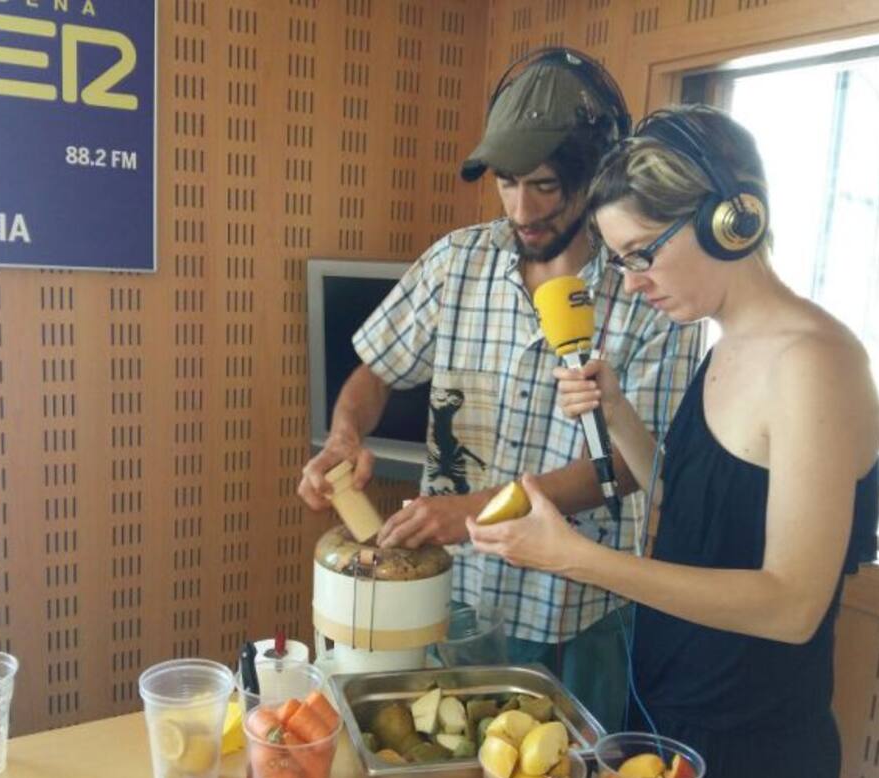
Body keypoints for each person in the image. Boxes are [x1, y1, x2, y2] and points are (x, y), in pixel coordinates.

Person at [466, 104, 879, 778]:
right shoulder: (727, 347)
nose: (631, 282)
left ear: (729, 220)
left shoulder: (814, 364)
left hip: (748, 747)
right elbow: (692, 510)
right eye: (621, 261)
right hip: (668, 711)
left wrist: (579, 559)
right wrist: (616, 409)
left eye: (641, 254)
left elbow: (792, 604)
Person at [297, 48, 701, 724]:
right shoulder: (458, 261)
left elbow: (635, 466)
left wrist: (480, 511)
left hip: (575, 611)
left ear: (597, 175)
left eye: (544, 185)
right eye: (507, 184)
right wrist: (345, 435)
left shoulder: (649, 288)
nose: (522, 208)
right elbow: (378, 368)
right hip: (454, 602)